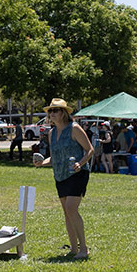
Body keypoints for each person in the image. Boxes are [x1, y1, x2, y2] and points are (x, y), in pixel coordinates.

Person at [34, 98, 94, 259]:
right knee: (67, 212)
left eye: (55, 110)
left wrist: (80, 164)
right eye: (50, 111)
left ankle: (84, 249)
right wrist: (41, 162)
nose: (52, 114)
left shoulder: (74, 128)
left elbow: (90, 150)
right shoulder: (52, 133)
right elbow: (53, 159)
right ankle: (73, 249)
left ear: (64, 113)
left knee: (71, 209)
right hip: (60, 175)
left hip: (77, 173)